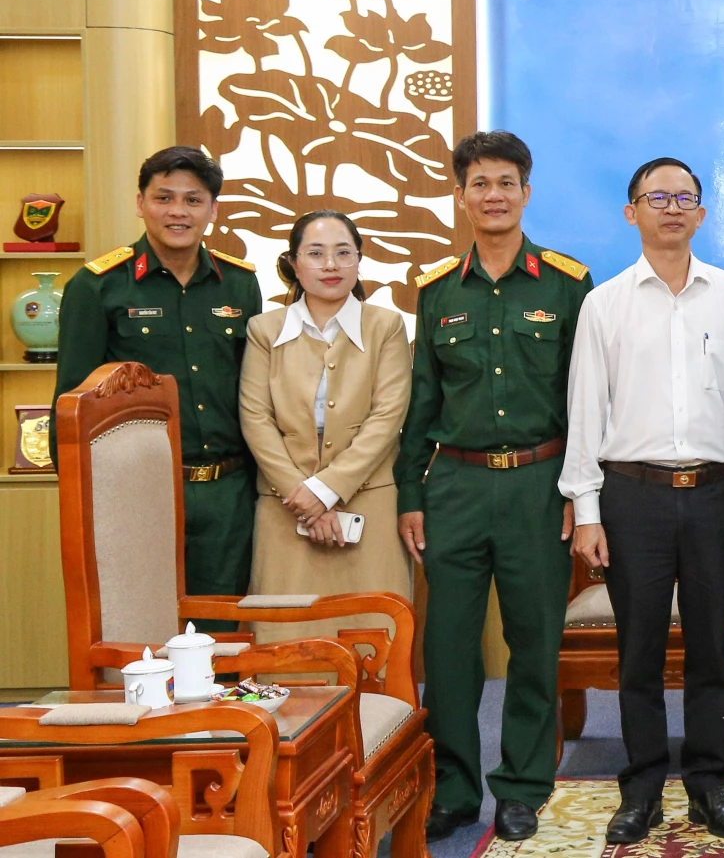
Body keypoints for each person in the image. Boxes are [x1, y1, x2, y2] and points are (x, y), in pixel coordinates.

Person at [395, 131, 593, 843]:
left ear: (526, 192)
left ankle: (522, 786)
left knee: (533, 642)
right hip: (455, 485)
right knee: (448, 649)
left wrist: (581, 491)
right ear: (461, 196)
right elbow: (421, 401)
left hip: (540, 483)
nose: (494, 195)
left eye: (506, 182)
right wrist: (409, 495)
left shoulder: (567, 284)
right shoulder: (437, 291)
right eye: (480, 183)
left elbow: (585, 399)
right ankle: (453, 787)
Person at [562, 158, 724, 843]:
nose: (672, 208)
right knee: (639, 652)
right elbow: (586, 410)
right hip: (632, 496)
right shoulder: (604, 303)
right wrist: (588, 509)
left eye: (685, 197)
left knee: (712, 651)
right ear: (632, 212)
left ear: (701, 213)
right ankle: (642, 786)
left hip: (714, 494)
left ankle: (709, 784)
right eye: (657, 197)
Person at [55, 146, 263, 617]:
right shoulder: (98, 286)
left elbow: (254, 391)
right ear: (140, 203)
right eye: (163, 198)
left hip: (227, 491)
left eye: (193, 200)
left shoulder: (239, 284)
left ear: (213, 210)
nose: (177, 212)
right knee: (140, 626)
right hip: (137, 488)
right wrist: (80, 500)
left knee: (221, 629)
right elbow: (70, 404)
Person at [239, 210, 412, 642]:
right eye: (315, 253)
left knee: (373, 639)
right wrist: (303, 496)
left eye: (343, 253)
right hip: (285, 504)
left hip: (368, 503)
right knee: (286, 641)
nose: (331, 265)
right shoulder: (264, 329)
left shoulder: (386, 326)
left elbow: (388, 416)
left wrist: (326, 490)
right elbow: (255, 418)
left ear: (359, 261)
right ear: (294, 263)